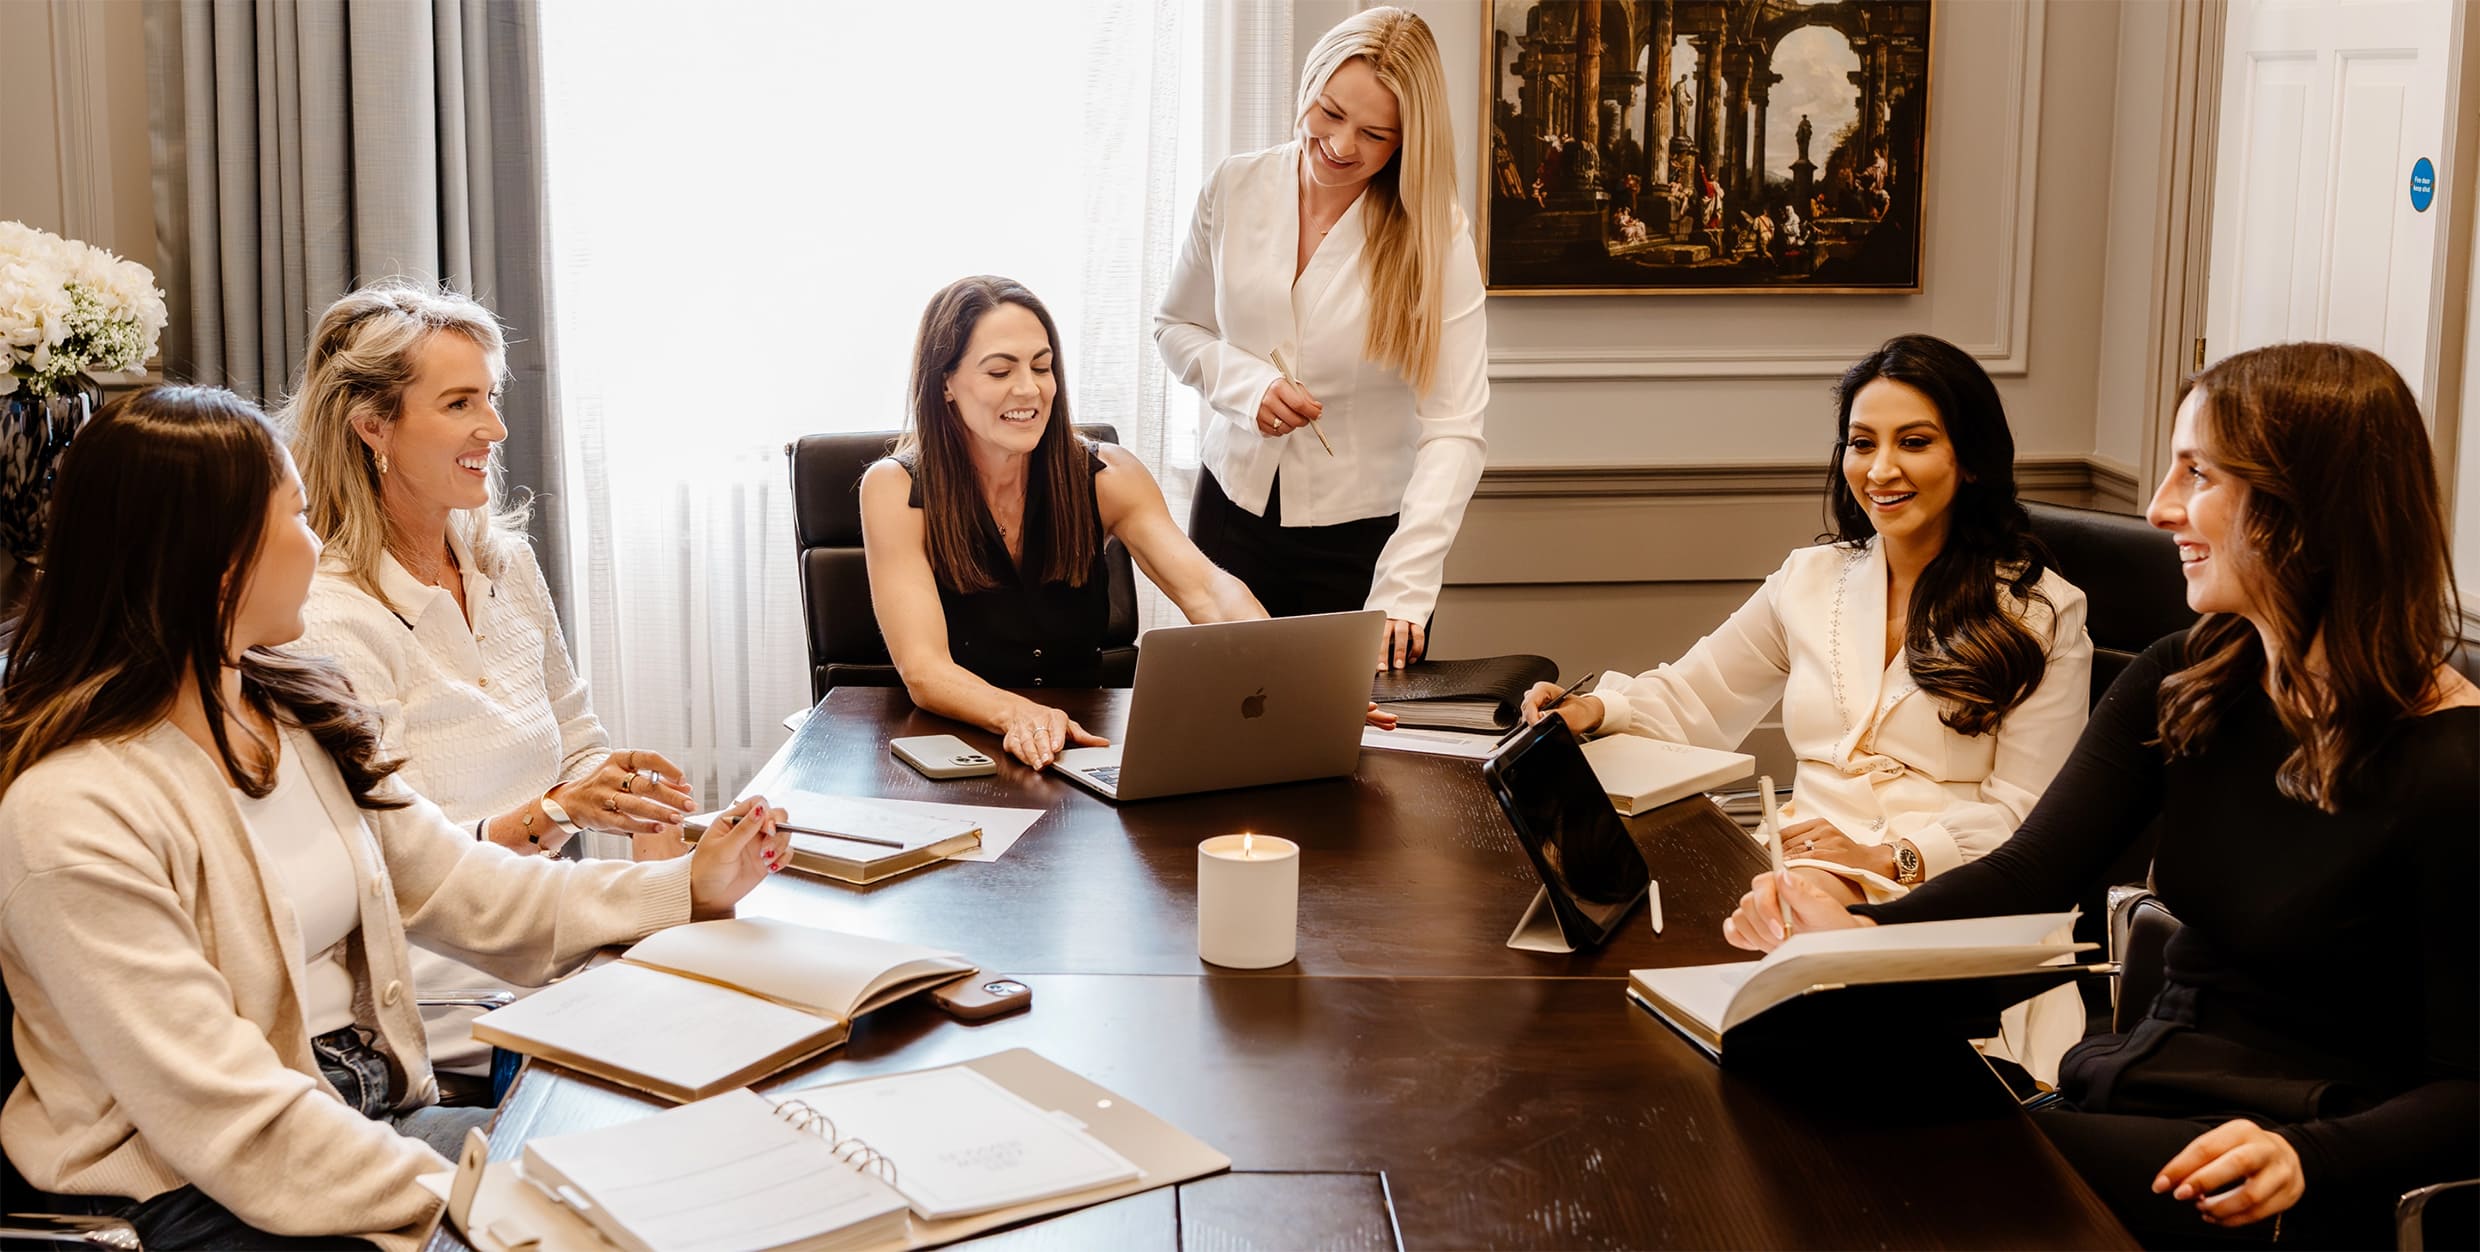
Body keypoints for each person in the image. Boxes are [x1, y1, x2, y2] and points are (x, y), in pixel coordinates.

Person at [1724, 342, 2477, 1249]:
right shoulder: (2184, 682)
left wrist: (2312, 1157)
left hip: (2276, 1163)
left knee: (1893, 1178)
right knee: (1780, 1051)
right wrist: (1854, 938)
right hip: (2140, 1093)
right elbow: (2029, 875)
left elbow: (2469, 1086)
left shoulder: (2455, 766)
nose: (2159, 508)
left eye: (2196, 473)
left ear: (2301, 509)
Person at [0, 386, 790, 1250]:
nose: (317, 544)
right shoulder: (72, 815)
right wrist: (472, 1201)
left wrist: (683, 885)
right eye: (298, 519)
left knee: (695, 1185)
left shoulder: (292, 713)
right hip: (192, 1196)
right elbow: (231, 1117)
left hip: (365, 1127)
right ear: (219, 562)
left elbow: (460, 882)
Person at [1522, 334, 2093, 1079]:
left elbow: (2031, 817)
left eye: (1913, 442)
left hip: (1946, 900)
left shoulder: (2041, 613)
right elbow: (1696, 697)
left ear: (1971, 457)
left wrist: (1890, 856)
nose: (1881, 469)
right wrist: (1593, 711)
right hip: (1786, 880)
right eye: (1862, 443)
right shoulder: (1811, 579)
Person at [282, 281, 694, 1086]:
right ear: (373, 427)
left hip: (550, 929)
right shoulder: (328, 617)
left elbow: (580, 747)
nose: (495, 429)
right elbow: (399, 870)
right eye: (461, 403)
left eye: (492, 398)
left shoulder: (503, 562)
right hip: (444, 982)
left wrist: (656, 838)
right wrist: (559, 817)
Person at [864, 276, 1379, 772]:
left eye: (1042, 368)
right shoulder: (895, 489)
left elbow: (1207, 590)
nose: (1029, 390)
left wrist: (1302, 680)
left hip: (1086, 750)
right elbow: (925, 670)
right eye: (1000, 372)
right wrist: (1018, 713)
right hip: (954, 753)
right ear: (946, 384)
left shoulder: (1109, 475)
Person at [1157, 6, 1488, 672]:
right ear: (1308, 86)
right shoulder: (1234, 186)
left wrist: (1405, 590)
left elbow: (1456, 427)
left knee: (1359, 758)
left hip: (1364, 545)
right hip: (1229, 517)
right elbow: (1176, 328)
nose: (1341, 146)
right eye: (1330, 113)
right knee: (1221, 734)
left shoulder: (1435, 234)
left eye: (1374, 134)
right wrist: (1249, 389)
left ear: (1407, 141)